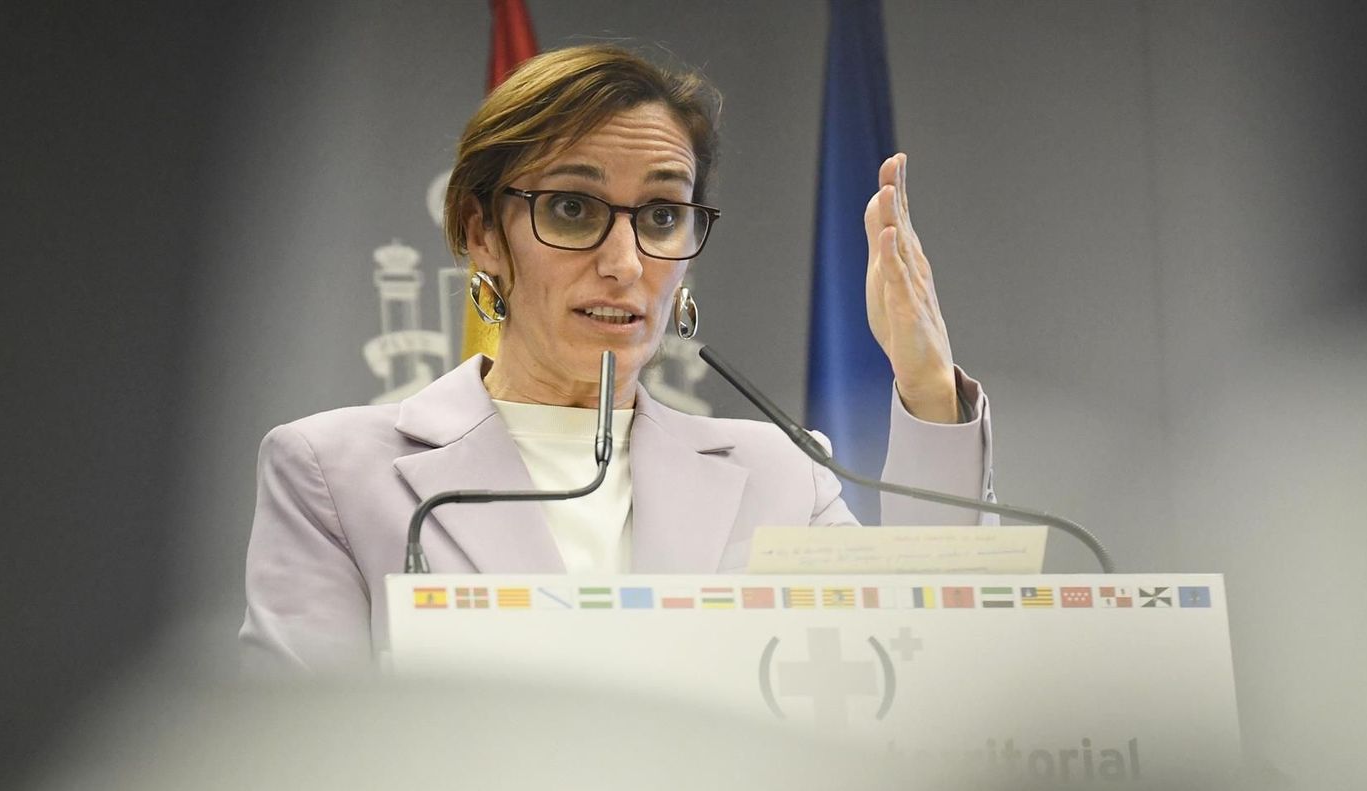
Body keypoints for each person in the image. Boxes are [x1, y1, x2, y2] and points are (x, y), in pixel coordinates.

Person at [240, 44, 996, 671]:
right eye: (573, 208)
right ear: (480, 232)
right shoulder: (333, 473)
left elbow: (935, 666)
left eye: (662, 215)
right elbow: (301, 756)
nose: (626, 263)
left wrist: (926, 384)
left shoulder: (781, 475)